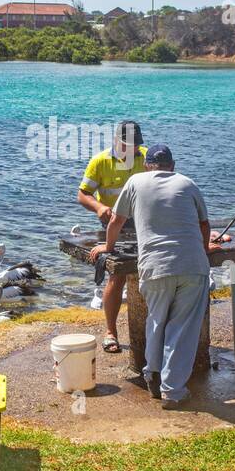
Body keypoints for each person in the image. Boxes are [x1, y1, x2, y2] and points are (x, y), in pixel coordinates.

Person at [89, 144, 217, 409]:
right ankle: (173, 390)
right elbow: (205, 224)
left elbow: (116, 220)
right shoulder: (188, 183)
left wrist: (108, 248)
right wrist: (204, 249)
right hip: (191, 265)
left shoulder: (135, 181)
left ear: (148, 165)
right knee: (182, 329)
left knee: (157, 322)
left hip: (154, 267)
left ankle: (153, 375)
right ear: (172, 165)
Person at [77, 120, 147, 353]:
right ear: (116, 141)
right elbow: (83, 194)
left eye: (137, 145)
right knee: (117, 275)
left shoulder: (146, 157)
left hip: (142, 222)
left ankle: (150, 329)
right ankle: (111, 332)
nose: (134, 149)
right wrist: (98, 208)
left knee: (150, 273)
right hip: (113, 224)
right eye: (128, 145)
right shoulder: (100, 161)